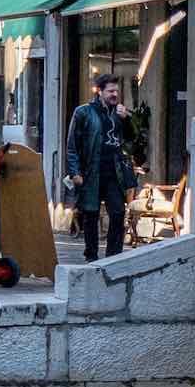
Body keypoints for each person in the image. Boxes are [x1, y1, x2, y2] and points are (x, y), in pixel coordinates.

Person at [66, 72, 139, 261]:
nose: (115, 94)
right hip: (91, 171)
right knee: (90, 213)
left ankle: (113, 256)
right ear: (100, 92)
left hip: (114, 171)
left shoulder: (119, 113)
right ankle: (91, 255)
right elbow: (72, 144)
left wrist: (127, 120)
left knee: (118, 212)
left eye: (116, 90)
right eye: (110, 91)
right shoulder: (83, 112)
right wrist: (74, 172)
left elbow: (132, 140)